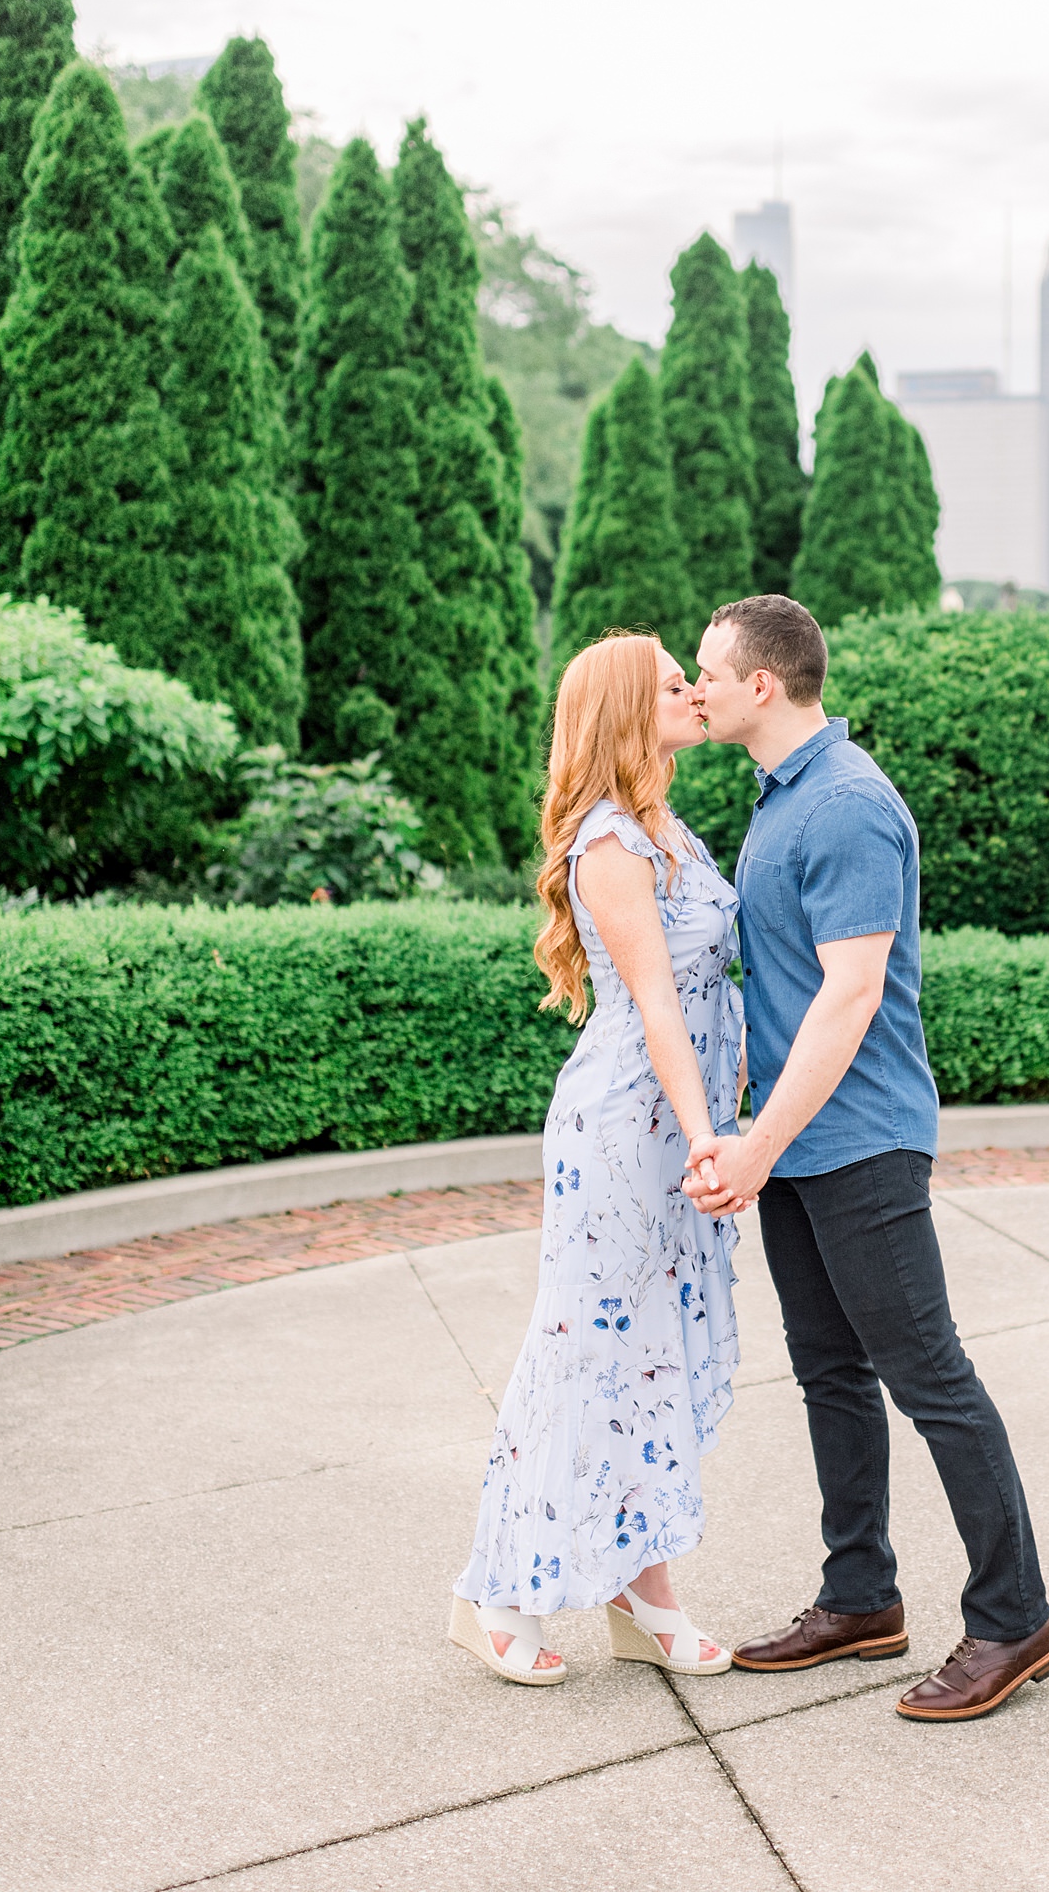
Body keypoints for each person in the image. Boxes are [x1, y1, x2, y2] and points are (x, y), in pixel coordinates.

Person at [685, 594, 1049, 1724]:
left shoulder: (848, 805)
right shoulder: (781, 797)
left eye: (707, 672)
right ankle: (861, 1599)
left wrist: (755, 1143)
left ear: (764, 684)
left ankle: (1015, 1619)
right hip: (801, 1144)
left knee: (930, 1379)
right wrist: (764, 1142)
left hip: (862, 1142)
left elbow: (850, 997)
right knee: (831, 1373)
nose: (695, 689)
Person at [450, 632, 742, 1684]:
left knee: (649, 1356)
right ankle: (493, 1593)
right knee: (584, 1353)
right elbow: (659, 1000)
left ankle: (644, 1596)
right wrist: (709, 1132)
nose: (696, 693)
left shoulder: (673, 830)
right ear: (627, 710)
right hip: (629, 1130)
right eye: (676, 683)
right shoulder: (610, 843)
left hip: (676, 1124)